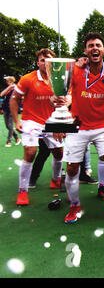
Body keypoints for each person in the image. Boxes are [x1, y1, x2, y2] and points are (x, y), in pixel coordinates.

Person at [62, 33, 104, 224]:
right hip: (78, 126)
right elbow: (59, 94)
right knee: (72, 168)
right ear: (85, 51)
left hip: (102, 126)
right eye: (90, 45)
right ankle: (74, 205)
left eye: (98, 45)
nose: (94, 48)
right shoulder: (75, 70)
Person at [10, 48, 64, 206]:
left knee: (59, 153)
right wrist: (16, 121)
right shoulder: (28, 79)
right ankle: (22, 191)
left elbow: (64, 102)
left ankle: (55, 180)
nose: (46, 63)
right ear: (38, 62)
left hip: (52, 120)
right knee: (30, 151)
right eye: (42, 60)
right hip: (31, 121)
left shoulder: (59, 78)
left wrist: (61, 124)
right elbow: (14, 99)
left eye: (49, 60)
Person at [0, 76, 21, 147]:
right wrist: (9, 87)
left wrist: (13, 87)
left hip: (13, 109)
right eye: (7, 82)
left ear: (12, 81)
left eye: (9, 81)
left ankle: (8, 141)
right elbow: (1, 94)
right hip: (6, 108)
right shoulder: (8, 89)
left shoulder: (16, 88)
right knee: (7, 126)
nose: (8, 83)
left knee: (10, 125)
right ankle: (17, 138)